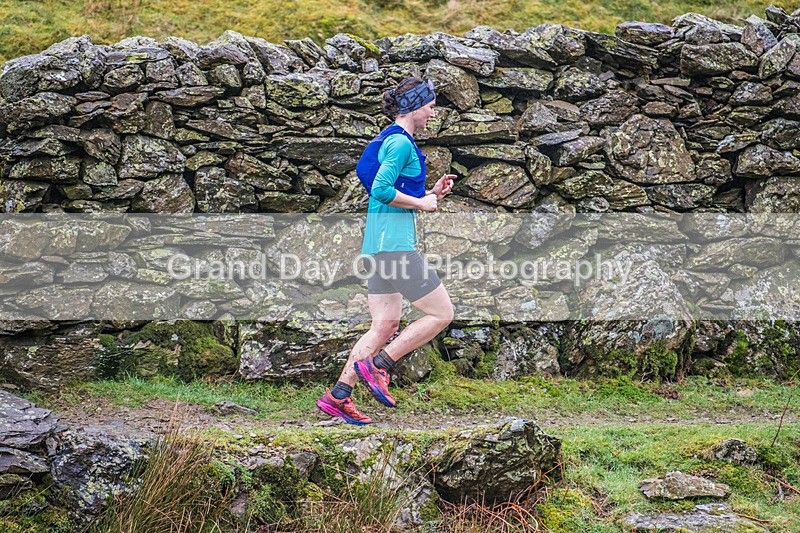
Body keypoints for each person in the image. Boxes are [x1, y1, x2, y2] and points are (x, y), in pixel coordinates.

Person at [316, 77, 455, 425]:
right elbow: (380, 189)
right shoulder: (401, 143)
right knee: (441, 314)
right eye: (430, 105)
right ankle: (381, 365)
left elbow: (396, 191)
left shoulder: (387, 140)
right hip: (395, 249)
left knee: (384, 324)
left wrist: (431, 194)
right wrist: (423, 205)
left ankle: (339, 396)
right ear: (414, 106)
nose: (432, 113)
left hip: (376, 249)